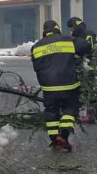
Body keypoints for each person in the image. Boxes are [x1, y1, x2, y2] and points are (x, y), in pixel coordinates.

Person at [33, 19, 91, 151]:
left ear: (44, 31)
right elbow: (86, 47)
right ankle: (63, 136)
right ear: (57, 29)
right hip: (69, 85)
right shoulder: (68, 40)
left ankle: (55, 140)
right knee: (71, 108)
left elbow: (37, 67)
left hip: (49, 88)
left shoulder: (36, 46)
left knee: (51, 111)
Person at [69, 17, 97, 123]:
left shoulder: (86, 34)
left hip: (89, 66)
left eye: (71, 28)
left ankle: (91, 114)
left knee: (89, 89)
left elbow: (86, 49)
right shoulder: (86, 33)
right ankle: (94, 113)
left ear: (75, 26)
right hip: (90, 65)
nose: (71, 31)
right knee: (90, 89)